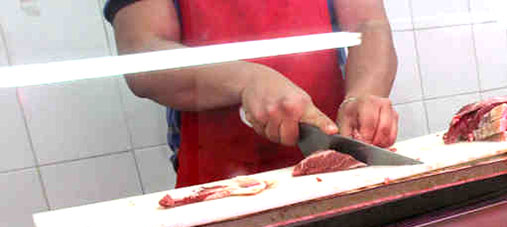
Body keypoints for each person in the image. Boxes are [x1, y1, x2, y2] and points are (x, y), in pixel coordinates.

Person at [105, 0, 399, 187]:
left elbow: (368, 23)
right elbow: (142, 54)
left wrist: (363, 94)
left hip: (336, 157)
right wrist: (248, 81)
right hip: (223, 180)